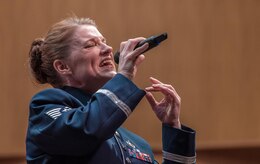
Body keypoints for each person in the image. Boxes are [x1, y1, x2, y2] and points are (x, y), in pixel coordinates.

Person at [26, 16, 196, 164]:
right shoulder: (44, 110)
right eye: (90, 45)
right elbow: (87, 130)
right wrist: (125, 76)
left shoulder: (137, 145)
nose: (108, 49)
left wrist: (173, 127)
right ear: (63, 66)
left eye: (104, 42)